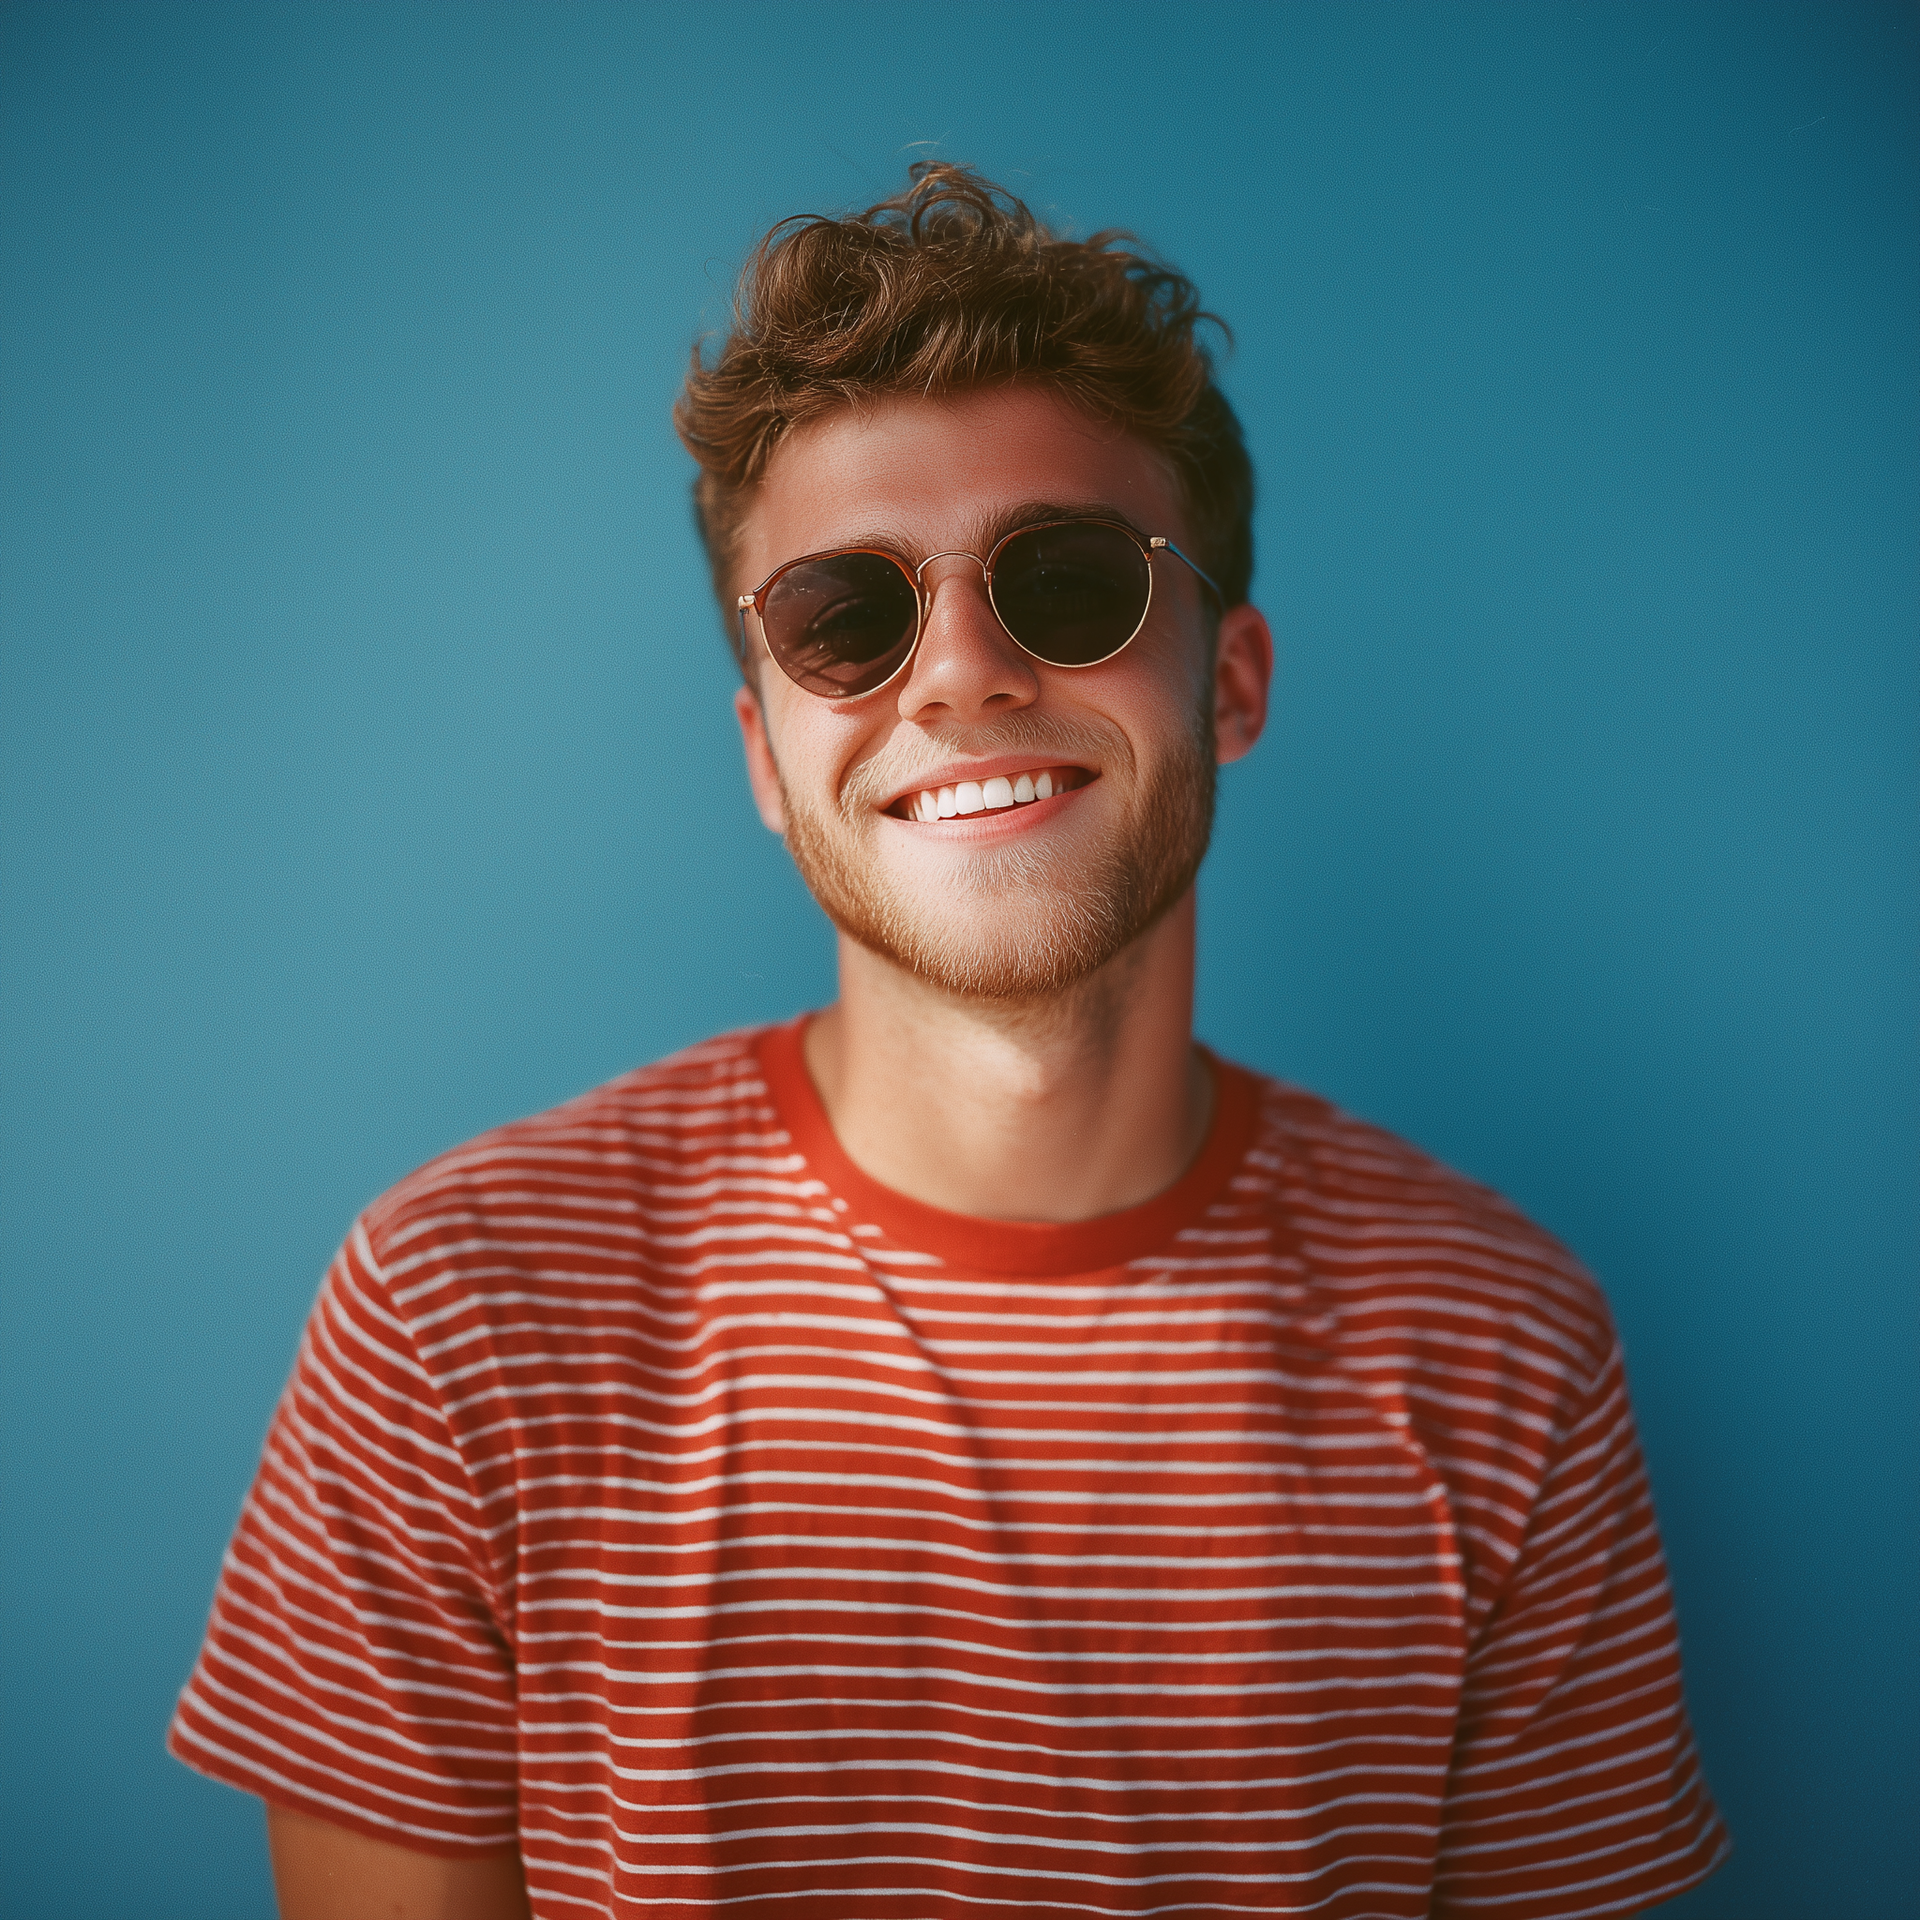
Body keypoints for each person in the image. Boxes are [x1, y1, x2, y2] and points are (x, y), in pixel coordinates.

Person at [170, 163, 1729, 1920]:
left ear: (1230, 681)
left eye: (1067, 578)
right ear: (766, 759)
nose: (962, 671)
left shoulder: (1504, 1353)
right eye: (846, 616)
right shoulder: (455, 1319)